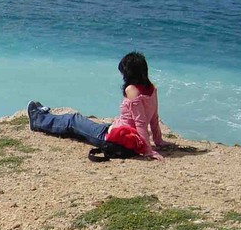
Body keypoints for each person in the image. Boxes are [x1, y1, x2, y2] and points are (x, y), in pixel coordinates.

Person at [27, 52, 167, 160]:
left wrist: (147, 150)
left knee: (74, 120)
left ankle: (37, 119)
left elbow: (140, 122)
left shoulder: (132, 90)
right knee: (77, 128)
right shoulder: (151, 88)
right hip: (124, 135)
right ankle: (43, 118)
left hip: (117, 139)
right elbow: (154, 118)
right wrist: (158, 140)